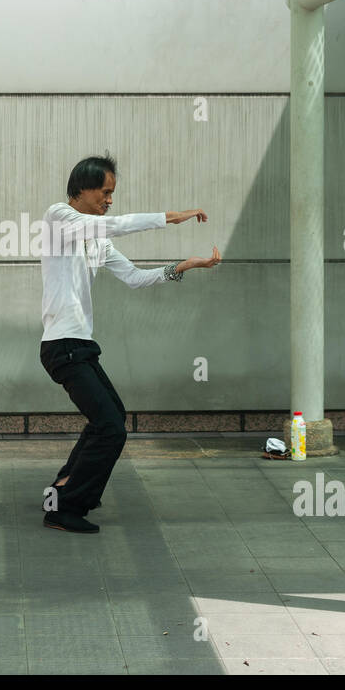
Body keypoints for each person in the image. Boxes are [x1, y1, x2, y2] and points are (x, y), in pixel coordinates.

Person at [38, 153, 221, 534]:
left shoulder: (94, 240)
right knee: (110, 427)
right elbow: (118, 225)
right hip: (62, 345)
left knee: (110, 420)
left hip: (80, 344)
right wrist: (170, 217)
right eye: (105, 193)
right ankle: (64, 509)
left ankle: (61, 490)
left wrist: (181, 267)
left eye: (112, 194)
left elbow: (135, 277)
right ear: (83, 189)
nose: (109, 201)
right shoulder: (59, 217)